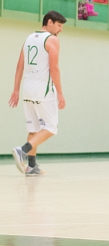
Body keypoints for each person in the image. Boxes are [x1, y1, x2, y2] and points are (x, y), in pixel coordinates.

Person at [9, 11, 67, 176]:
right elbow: (54, 68)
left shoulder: (28, 38)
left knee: (34, 128)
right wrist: (60, 93)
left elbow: (19, 66)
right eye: (59, 25)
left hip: (27, 88)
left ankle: (31, 166)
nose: (60, 29)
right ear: (49, 22)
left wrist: (15, 90)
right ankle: (23, 150)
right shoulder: (52, 39)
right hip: (44, 90)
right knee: (51, 127)